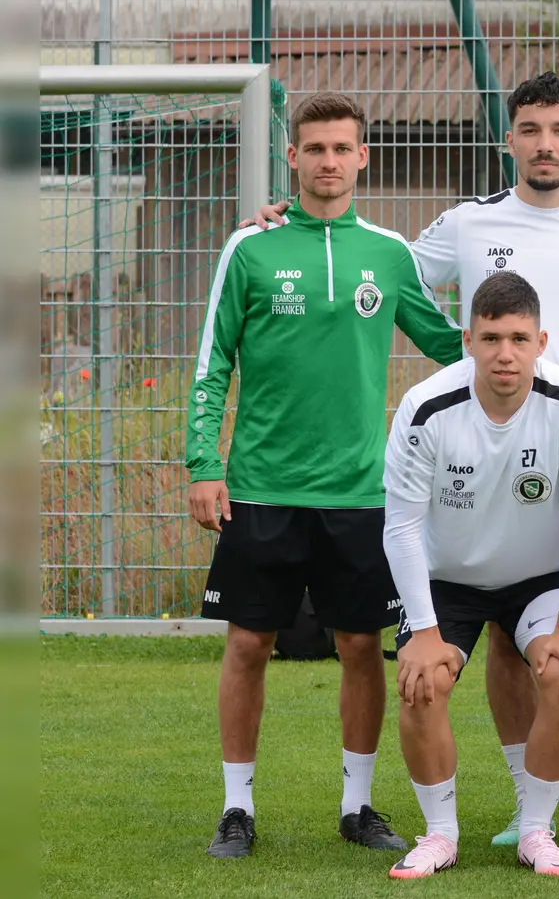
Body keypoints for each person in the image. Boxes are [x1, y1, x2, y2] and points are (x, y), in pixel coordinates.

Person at [246, 73, 559, 854]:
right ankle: (528, 808)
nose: (545, 143)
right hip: (491, 458)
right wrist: (294, 222)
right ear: (508, 139)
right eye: (530, 129)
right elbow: (367, 266)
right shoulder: (467, 225)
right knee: (510, 631)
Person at [188, 92, 463, 858]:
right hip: (260, 488)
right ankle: (236, 808)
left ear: (363, 156)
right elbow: (212, 366)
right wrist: (204, 464)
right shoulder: (250, 250)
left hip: (359, 492)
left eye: (342, 148)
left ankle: (357, 805)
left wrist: (540, 364)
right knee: (247, 643)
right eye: (315, 148)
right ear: (294, 157)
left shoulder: (387, 253)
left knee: (357, 644)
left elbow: (451, 349)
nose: (329, 162)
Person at [382, 271, 559, 879]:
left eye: (518, 338)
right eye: (490, 338)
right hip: (447, 575)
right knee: (421, 680)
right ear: (468, 342)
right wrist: (424, 632)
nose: (505, 353)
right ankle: (440, 834)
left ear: (541, 342)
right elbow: (399, 527)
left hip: (538, 576)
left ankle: (536, 828)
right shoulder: (425, 408)